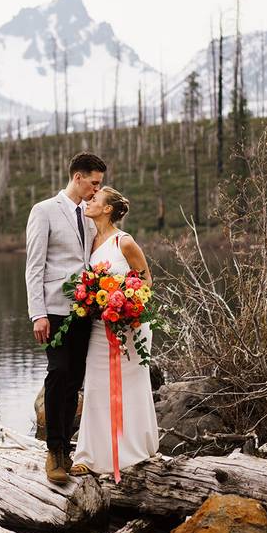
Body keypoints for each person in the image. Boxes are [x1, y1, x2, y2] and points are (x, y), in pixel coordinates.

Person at [25, 152, 106, 483]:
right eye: (94, 183)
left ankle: (67, 450)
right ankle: (53, 451)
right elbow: (34, 266)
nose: (97, 190)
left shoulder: (90, 216)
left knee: (75, 380)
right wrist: (37, 314)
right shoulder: (44, 211)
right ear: (78, 177)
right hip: (55, 311)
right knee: (58, 372)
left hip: (85, 310)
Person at [70, 186, 159, 478]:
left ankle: (131, 452)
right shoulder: (88, 240)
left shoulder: (125, 242)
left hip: (129, 326)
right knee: (96, 385)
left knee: (130, 386)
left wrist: (128, 304)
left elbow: (146, 280)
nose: (89, 201)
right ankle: (88, 455)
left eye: (94, 199)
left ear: (107, 209)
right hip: (99, 325)